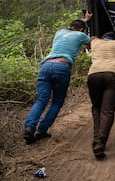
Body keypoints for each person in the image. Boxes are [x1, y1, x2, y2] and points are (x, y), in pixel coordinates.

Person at [23, 13, 93, 144]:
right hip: (62, 67)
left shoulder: (59, 32)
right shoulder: (81, 35)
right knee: (57, 101)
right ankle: (42, 130)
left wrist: (85, 20)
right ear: (82, 29)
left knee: (41, 100)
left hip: (45, 66)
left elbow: (75, 27)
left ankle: (29, 128)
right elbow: (92, 45)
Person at [87, 32, 115, 159]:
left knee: (96, 107)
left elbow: (92, 38)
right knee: (108, 110)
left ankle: (96, 139)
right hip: (113, 75)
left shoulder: (95, 42)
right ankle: (100, 144)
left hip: (94, 75)